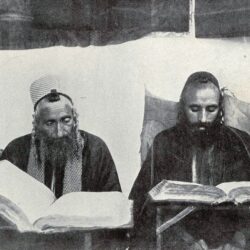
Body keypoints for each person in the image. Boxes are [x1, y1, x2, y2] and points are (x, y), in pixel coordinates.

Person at [129, 71, 250, 249]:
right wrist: (183, 242)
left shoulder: (240, 143)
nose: (203, 119)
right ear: (183, 107)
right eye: (194, 109)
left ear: (220, 109)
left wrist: (239, 240)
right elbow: (143, 206)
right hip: (178, 238)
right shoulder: (164, 143)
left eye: (211, 109)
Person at [1, 75, 121, 197]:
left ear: (75, 118)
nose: (59, 132)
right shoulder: (16, 150)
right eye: (50, 123)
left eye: (66, 120)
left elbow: (113, 204)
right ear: (36, 122)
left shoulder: (96, 149)